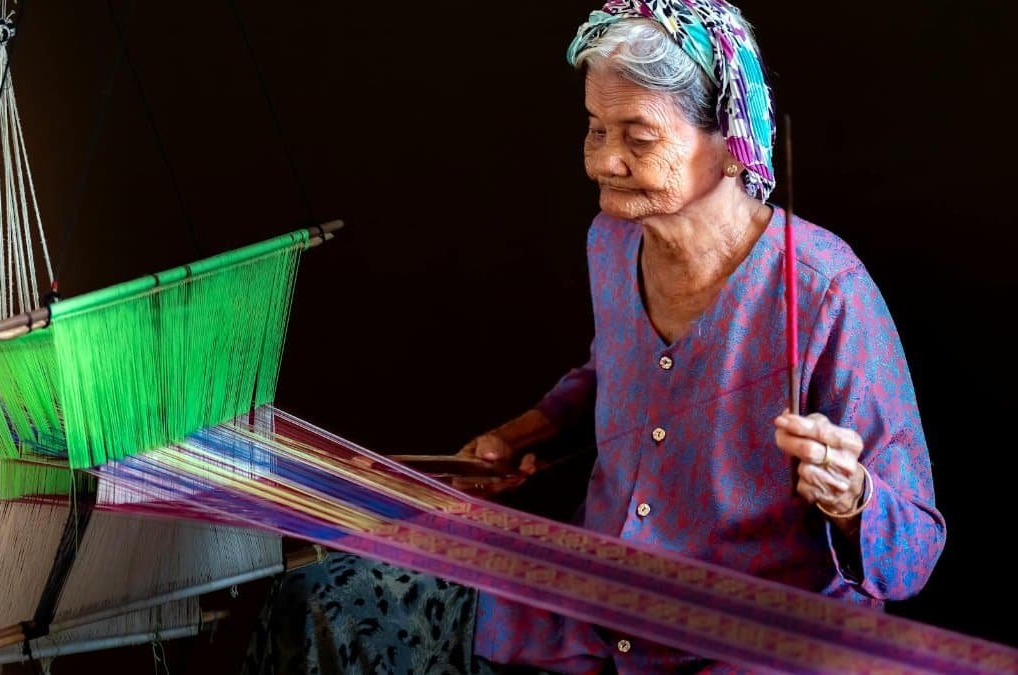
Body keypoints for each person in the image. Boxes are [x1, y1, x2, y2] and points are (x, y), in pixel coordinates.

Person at [243, 1, 945, 673]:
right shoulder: (612, 242)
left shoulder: (825, 291)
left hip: (751, 639)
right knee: (318, 602)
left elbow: (914, 550)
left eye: (638, 137)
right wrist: (530, 430)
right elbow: (615, 367)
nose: (602, 161)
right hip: (595, 601)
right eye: (594, 129)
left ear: (730, 145)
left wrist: (852, 496)